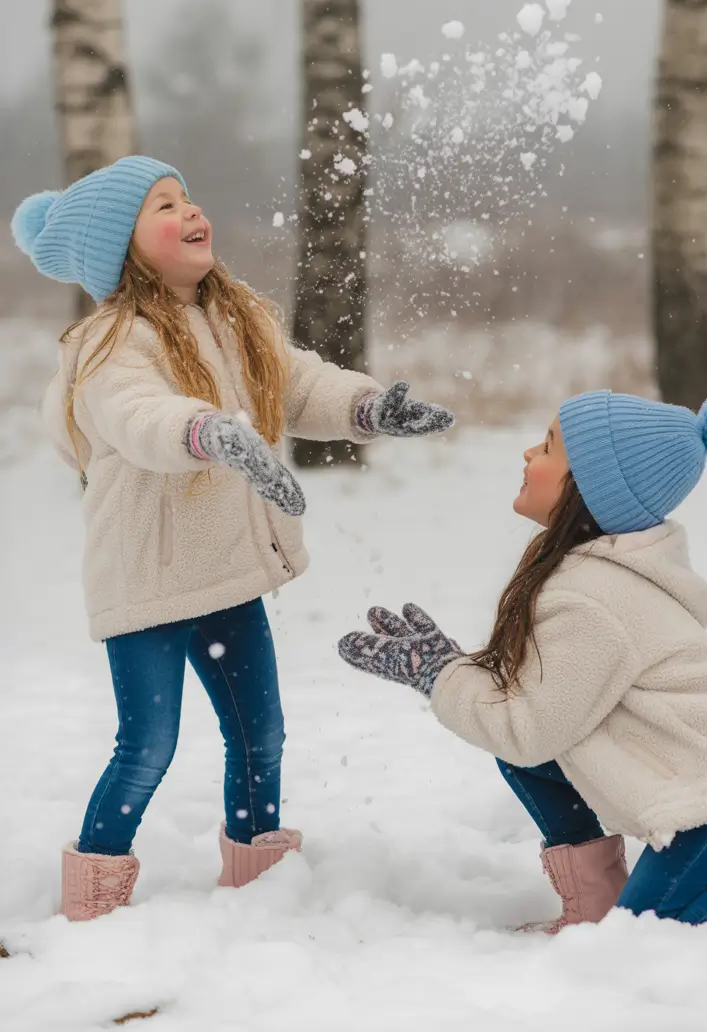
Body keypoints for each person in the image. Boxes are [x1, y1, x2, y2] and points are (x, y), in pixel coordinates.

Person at [12, 155, 454, 922]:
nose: (189, 210)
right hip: (147, 582)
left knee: (261, 735)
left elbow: (298, 382)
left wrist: (369, 409)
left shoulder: (234, 315)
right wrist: (210, 432)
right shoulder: (114, 343)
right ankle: (92, 902)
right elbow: (138, 417)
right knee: (146, 746)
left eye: (187, 195)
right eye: (162, 204)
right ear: (123, 247)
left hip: (222, 573)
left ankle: (260, 892)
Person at [339, 389, 707, 927]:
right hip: (695, 769)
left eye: (548, 447)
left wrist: (439, 675)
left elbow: (525, 728)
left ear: (591, 488)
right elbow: (536, 711)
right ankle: (595, 903)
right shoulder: (590, 573)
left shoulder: (590, 601)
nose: (529, 454)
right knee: (529, 756)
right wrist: (456, 668)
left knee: (655, 937)